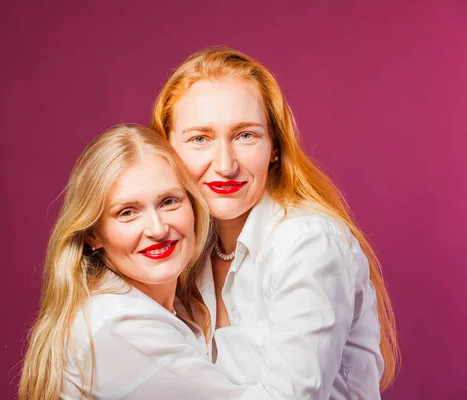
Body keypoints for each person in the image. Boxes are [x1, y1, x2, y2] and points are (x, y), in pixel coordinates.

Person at [150, 47, 399, 399]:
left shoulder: (308, 242)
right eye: (199, 138)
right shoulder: (186, 248)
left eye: (245, 135)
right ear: (167, 152)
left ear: (275, 148)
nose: (224, 164)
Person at [19, 124, 248, 399]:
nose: (157, 228)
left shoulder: (169, 306)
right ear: (94, 234)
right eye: (127, 212)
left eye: (169, 202)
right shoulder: (119, 324)